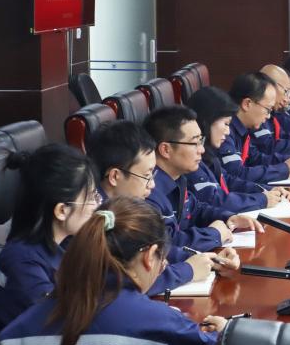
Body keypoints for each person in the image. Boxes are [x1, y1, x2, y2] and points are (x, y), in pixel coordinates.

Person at [0, 197, 227, 345]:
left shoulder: (17, 333)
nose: (162, 267)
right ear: (149, 256)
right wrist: (226, 334)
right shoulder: (161, 324)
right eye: (162, 261)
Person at [0, 144, 100, 345]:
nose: (96, 205)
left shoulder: (61, 245)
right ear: (62, 210)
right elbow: (57, 328)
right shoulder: (23, 263)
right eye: (91, 197)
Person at [88, 120, 216, 292]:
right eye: (147, 176)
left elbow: (157, 249)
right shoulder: (96, 221)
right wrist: (188, 270)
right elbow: (123, 283)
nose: (153, 185)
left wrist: (205, 259)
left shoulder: (125, 208)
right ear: (115, 176)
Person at [144, 106, 262, 256]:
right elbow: (167, 245)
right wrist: (214, 234)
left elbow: (197, 210)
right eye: (195, 143)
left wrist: (229, 217)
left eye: (201, 141)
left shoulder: (178, 178)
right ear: (166, 150)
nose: (202, 150)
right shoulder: (149, 190)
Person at [186, 86, 290, 212]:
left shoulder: (208, 155)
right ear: (207, 121)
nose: (227, 131)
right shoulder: (190, 160)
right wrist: (262, 199)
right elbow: (215, 200)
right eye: (225, 124)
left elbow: (228, 180)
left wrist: (265, 190)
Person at [219, 71, 290, 186]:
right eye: (268, 109)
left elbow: (255, 158)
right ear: (247, 104)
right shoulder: (224, 130)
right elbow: (236, 174)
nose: (269, 116)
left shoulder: (243, 127)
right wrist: (284, 169)